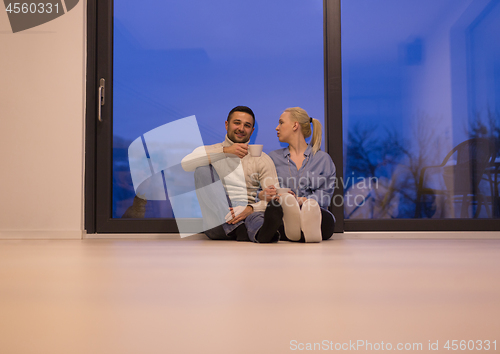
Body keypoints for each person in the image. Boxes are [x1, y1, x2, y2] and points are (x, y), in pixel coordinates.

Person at [181, 106, 283, 243]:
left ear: (252, 131)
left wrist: (250, 208)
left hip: (248, 216)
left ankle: (262, 234)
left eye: (247, 125)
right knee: (202, 170)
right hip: (217, 224)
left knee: (255, 216)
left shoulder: (262, 159)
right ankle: (239, 228)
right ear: (226, 124)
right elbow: (186, 164)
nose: (241, 128)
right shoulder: (213, 150)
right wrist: (226, 151)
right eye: (237, 123)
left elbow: (273, 198)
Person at [259, 107, 336, 242]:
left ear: (295, 125)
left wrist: (301, 201)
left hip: (316, 215)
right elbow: (261, 191)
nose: (277, 128)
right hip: (283, 215)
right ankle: (298, 230)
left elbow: (324, 197)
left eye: (281, 123)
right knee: (272, 215)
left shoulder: (322, 159)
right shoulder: (272, 158)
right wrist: (264, 195)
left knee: (326, 219)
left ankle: (298, 229)